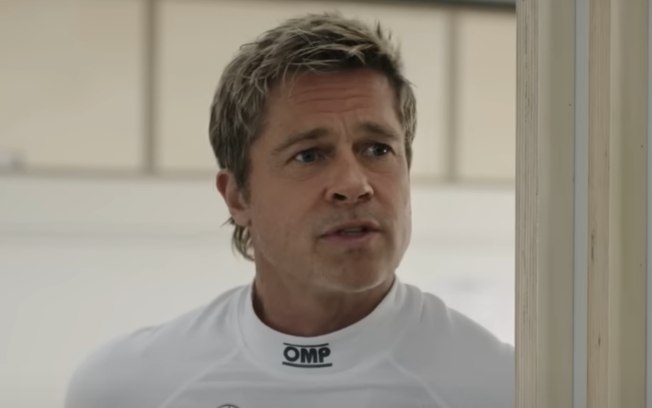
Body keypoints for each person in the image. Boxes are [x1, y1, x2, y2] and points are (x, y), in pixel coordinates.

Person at [65, 12, 513, 408]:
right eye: (309, 155)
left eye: (377, 149)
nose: (354, 185)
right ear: (238, 197)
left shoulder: (507, 389)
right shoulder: (125, 389)